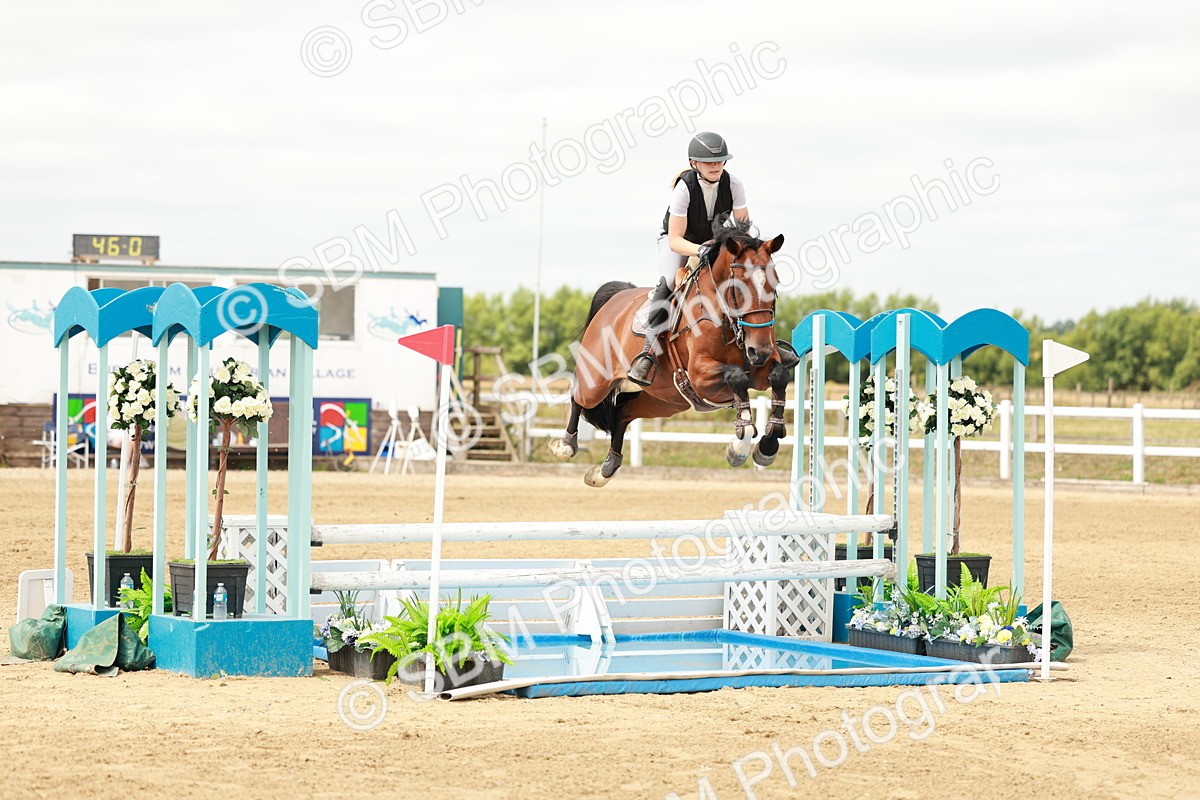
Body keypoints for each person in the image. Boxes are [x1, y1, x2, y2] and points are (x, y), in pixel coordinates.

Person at [626, 131, 750, 386]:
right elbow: (675, 240)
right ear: (695, 163)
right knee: (670, 282)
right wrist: (701, 250)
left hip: (715, 241)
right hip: (679, 242)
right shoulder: (684, 188)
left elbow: (743, 229)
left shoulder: (735, 185)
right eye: (708, 162)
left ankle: (759, 342)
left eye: (719, 161)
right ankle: (648, 353)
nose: (716, 166)